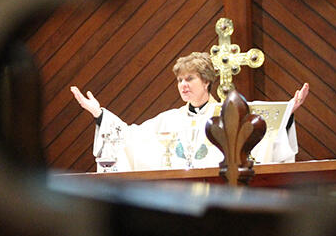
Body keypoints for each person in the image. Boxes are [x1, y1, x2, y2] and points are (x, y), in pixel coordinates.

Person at [71, 52, 309, 171]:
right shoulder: (167, 121)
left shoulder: (230, 115)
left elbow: (263, 135)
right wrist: (99, 114)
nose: (183, 84)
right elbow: (129, 137)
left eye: (189, 78)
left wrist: (287, 113)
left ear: (206, 81)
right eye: (179, 80)